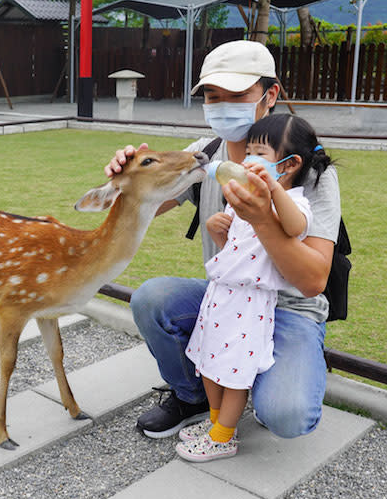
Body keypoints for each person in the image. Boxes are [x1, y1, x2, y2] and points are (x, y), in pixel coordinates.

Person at [105, 40, 340, 444]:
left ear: (270, 96)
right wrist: (126, 179)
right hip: (229, 296)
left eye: (237, 96)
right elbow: (141, 208)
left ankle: (270, 374)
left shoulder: (307, 171)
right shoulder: (203, 154)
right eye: (214, 97)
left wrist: (263, 219)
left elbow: (314, 280)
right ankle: (194, 396)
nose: (222, 105)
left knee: (287, 416)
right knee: (151, 298)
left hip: (289, 308)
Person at [176, 113, 332, 462]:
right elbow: (236, 247)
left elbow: (293, 229)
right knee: (210, 360)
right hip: (221, 294)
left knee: (234, 371)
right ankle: (216, 422)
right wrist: (220, 231)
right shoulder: (240, 197)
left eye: (257, 153)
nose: (246, 161)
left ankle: (223, 437)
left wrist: (273, 192)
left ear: (288, 164)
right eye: (246, 152)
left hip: (250, 302)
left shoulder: (296, 203)